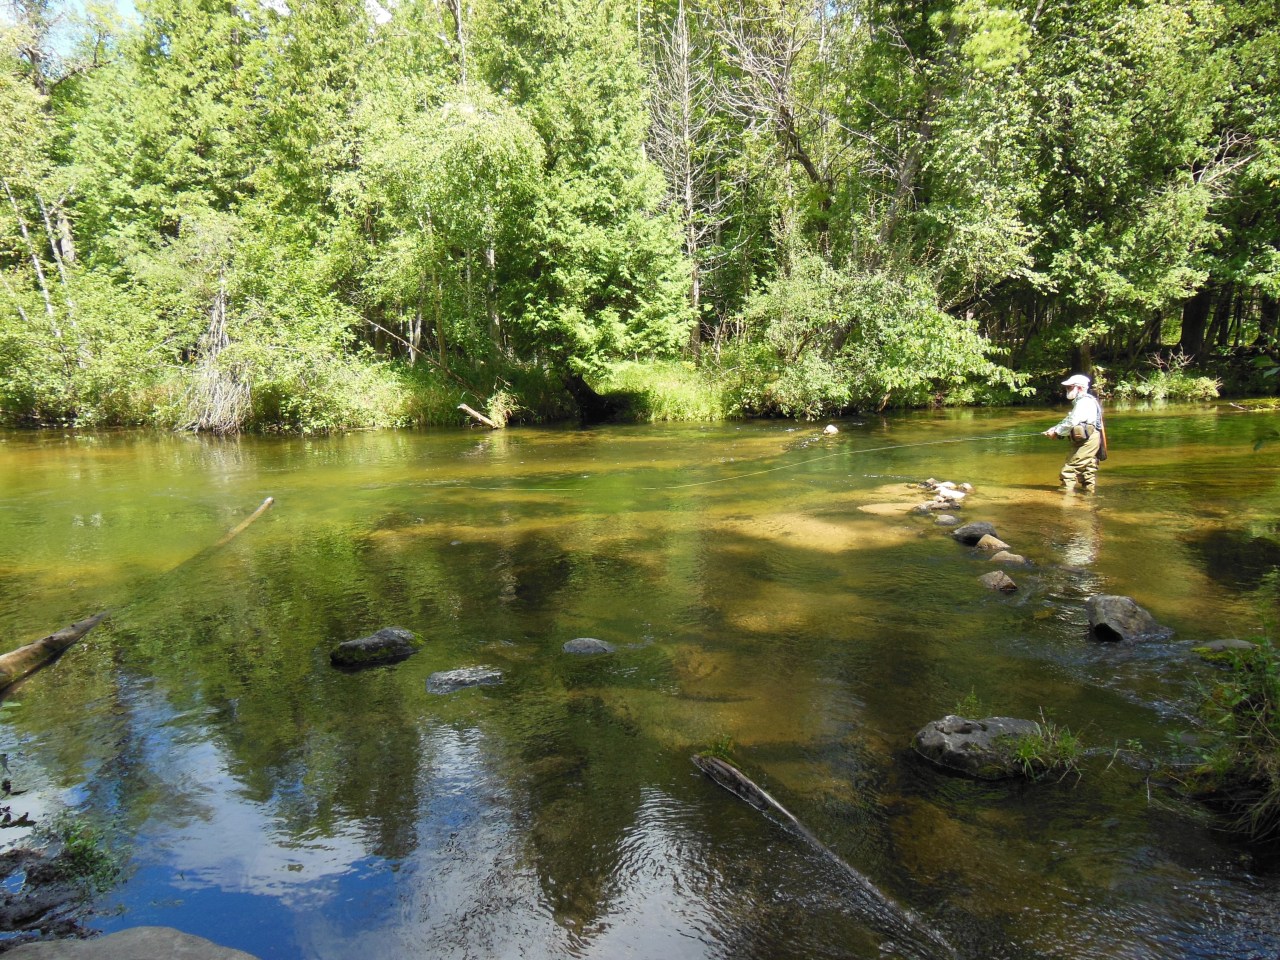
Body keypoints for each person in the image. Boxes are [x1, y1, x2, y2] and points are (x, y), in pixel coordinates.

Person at [1042, 373, 1104, 492]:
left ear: (1080, 388)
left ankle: (1065, 499)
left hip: (1088, 440)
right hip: (1088, 438)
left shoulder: (1084, 402)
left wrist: (1057, 432)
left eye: (1070, 387)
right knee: (1087, 469)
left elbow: (1072, 421)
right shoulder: (1083, 401)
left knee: (1069, 470)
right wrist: (1054, 429)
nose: (1067, 390)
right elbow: (1069, 420)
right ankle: (1088, 499)